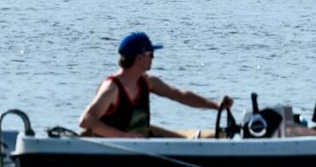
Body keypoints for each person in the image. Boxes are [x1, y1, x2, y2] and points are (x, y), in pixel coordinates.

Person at [79, 33, 232, 139]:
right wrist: (123, 136)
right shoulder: (112, 88)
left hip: (139, 140)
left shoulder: (147, 82)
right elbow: (86, 120)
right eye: (151, 54)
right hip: (112, 149)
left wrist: (216, 105)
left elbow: (180, 95)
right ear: (140, 58)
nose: (153, 58)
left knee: (187, 141)